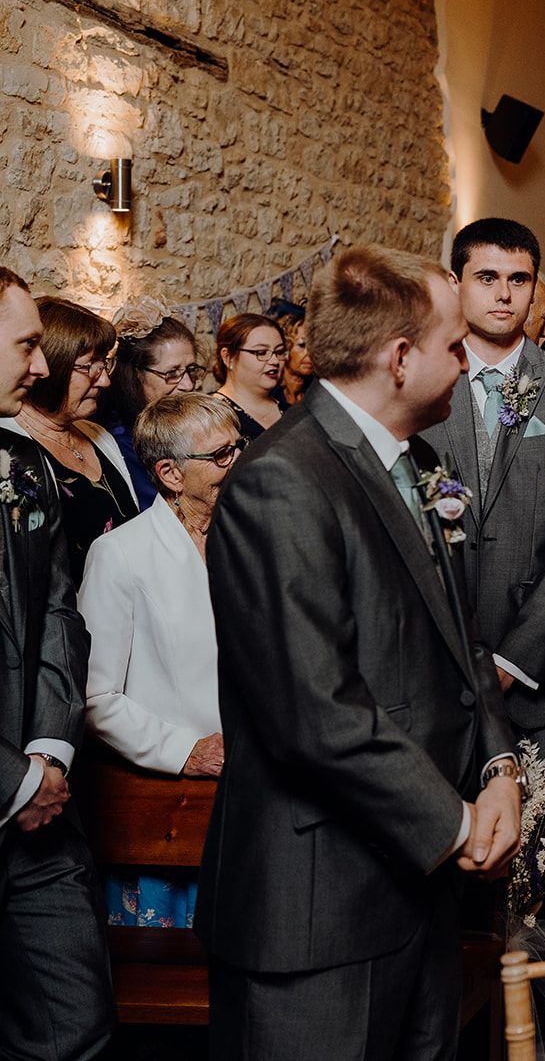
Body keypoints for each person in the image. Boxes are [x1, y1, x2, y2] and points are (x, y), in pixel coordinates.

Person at [197, 245, 521, 1057]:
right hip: (318, 911)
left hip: (416, 890)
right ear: (400, 357)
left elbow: (460, 643)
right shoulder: (283, 483)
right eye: (454, 348)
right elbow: (314, 709)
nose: (465, 363)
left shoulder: (416, 461)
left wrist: (501, 771)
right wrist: (455, 825)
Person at [422, 219, 545, 1038]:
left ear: (536, 290)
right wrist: (453, 656)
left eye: (520, 279)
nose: (504, 293)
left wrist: (511, 658)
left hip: (539, 675)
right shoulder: (422, 382)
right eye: (488, 276)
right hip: (430, 671)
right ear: (457, 282)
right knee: (441, 872)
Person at [0, 267, 115, 1057]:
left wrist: (46, 752)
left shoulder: (26, 463)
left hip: (42, 815)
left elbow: (57, 614)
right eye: (25, 346)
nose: (39, 369)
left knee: (75, 1020)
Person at [79, 393, 242, 928]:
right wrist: (185, 750)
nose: (237, 462)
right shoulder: (121, 555)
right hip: (168, 804)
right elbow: (96, 698)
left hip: (257, 791)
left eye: (237, 447)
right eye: (220, 456)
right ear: (171, 473)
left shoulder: (253, 536)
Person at [4, 296, 137, 582]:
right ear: (52, 367)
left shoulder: (97, 435)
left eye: (105, 364)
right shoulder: (11, 454)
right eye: (90, 366)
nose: (104, 380)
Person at [102, 296, 205, 509]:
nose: (187, 384)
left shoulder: (189, 422)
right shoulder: (121, 443)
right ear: (136, 374)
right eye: (172, 373)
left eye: (190, 370)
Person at [211, 312, 288, 440]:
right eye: (261, 353)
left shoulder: (288, 409)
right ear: (228, 357)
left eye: (279, 352)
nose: (274, 361)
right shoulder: (214, 417)